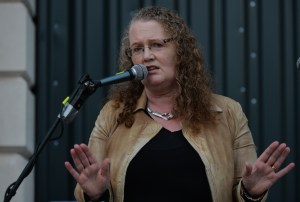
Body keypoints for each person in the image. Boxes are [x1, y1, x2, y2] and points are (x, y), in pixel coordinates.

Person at [64, 6, 295, 202]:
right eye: (137, 48)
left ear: (180, 51)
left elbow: (243, 193)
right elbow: (88, 188)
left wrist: (251, 192)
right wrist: (96, 195)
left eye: (156, 45)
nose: (146, 56)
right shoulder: (112, 114)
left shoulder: (228, 112)